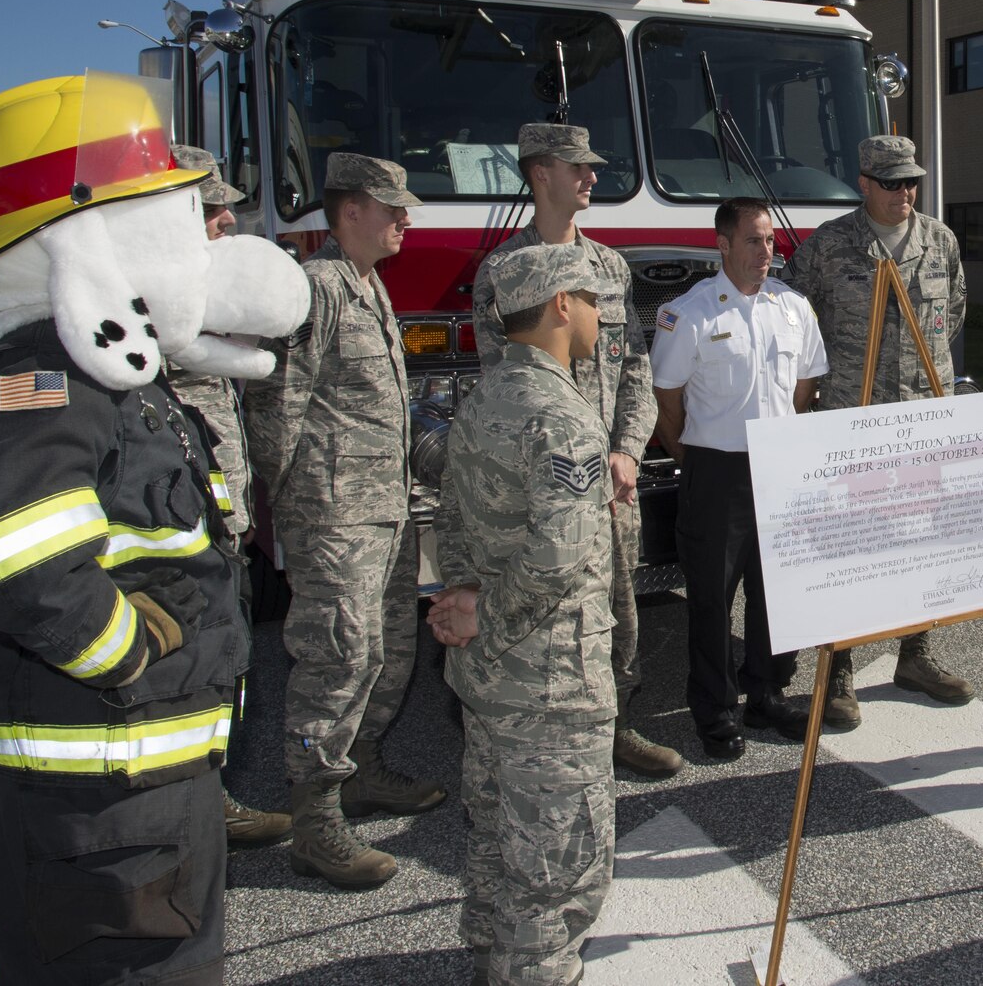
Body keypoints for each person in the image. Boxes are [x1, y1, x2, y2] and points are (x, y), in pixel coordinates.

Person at [0, 74, 308, 983]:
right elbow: (25, 556)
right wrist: (127, 655)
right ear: (86, 235)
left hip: (135, 792)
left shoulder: (93, 370)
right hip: (103, 801)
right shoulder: (40, 377)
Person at [246, 151, 445, 889]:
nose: (405, 218)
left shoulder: (369, 286)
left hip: (385, 510)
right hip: (335, 517)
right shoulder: (319, 287)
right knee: (337, 657)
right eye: (392, 206)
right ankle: (316, 819)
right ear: (349, 210)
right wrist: (296, 508)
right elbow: (277, 410)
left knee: (390, 650)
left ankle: (359, 771)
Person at [430, 243, 617, 986]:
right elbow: (560, 554)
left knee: (498, 850)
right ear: (560, 306)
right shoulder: (562, 417)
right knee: (559, 874)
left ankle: (495, 966)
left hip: (488, 680)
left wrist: (463, 601)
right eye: (593, 300)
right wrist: (486, 613)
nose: (603, 315)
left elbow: (451, 519)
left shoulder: (483, 397)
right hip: (553, 684)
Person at [468, 122, 677, 779]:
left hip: (610, 482)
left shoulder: (610, 269)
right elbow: (500, 389)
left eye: (591, 165)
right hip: (540, 486)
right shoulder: (502, 273)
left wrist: (627, 451)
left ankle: (615, 722)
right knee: (536, 602)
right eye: (576, 166)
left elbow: (638, 368)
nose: (590, 175)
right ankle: (533, 734)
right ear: (539, 174)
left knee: (618, 602)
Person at [785, 134, 976, 728]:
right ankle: (839, 668)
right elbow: (793, 318)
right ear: (864, 183)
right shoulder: (830, 246)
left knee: (922, 540)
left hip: (923, 418)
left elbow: (956, 312)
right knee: (851, 547)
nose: (905, 192)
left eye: (911, 181)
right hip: (854, 418)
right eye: (891, 182)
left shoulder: (939, 240)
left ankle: (915, 655)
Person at [650, 198, 827, 760]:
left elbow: (805, 388)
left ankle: (767, 693)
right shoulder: (691, 314)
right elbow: (667, 399)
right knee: (710, 597)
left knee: (775, 592)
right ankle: (715, 710)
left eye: (770, 241)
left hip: (780, 466)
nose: (766, 251)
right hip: (717, 470)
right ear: (723, 246)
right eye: (753, 240)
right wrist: (691, 455)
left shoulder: (794, 307)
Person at [167, 143, 291, 849]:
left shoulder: (198, 311)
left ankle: (205, 796)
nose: (225, 221)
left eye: (224, 208)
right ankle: (186, 807)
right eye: (208, 209)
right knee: (188, 671)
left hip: (217, 526)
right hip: (177, 539)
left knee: (223, 663)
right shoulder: (136, 328)